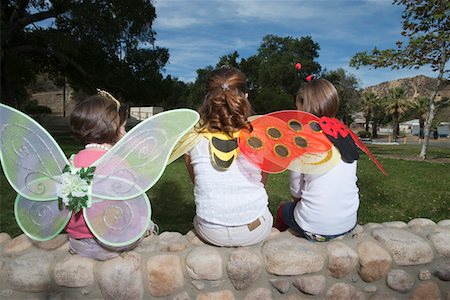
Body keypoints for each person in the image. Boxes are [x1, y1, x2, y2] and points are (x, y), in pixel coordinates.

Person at [184, 66, 273, 247]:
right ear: (245, 97)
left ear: (208, 99)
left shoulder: (192, 138)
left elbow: (199, 184)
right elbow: (262, 182)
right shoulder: (259, 137)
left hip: (211, 231)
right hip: (255, 229)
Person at [66, 92, 154, 260]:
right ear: (113, 130)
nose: (125, 132)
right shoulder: (117, 163)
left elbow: (68, 204)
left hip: (78, 242)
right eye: (123, 128)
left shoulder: (72, 161)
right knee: (145, 220)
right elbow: (132, 205)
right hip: (108, 244)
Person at [274, 78, 359, 242]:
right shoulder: (346, 137)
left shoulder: (302, 142)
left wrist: (299, 202)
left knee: (283, 211)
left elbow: (296, 191)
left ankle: (276, 241)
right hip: (348, 224)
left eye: (297, 106)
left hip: (313, 227)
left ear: (304, 107)